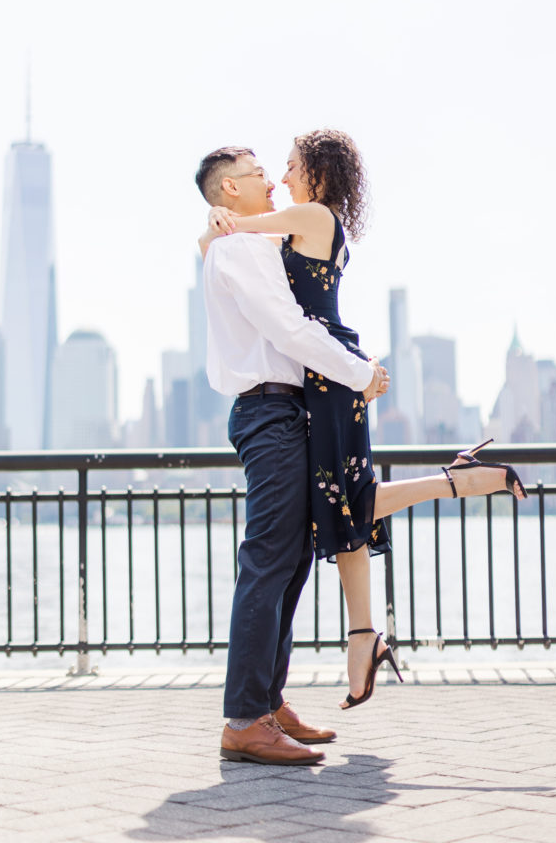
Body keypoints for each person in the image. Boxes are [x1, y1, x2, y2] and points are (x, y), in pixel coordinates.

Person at [203, 129, 527, 712]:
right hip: (323, 375)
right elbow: (241, 262)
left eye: (292, 164)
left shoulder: (312, 216)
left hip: (330, 374)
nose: (280, 176)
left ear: (318, 173)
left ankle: (459, 483)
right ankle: (362, 635)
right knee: (342, 502)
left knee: (343, 501)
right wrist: (214, 225)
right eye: (268, 170)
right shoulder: (293, 226)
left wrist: (217, 222)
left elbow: (242, 242)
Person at [195, 146, 390, 766]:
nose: (270, 180)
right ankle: (244, 719)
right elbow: (289, 330)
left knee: (293, 556)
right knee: (270, 557)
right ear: (229, 189)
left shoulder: (248, 242)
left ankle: (268, 703)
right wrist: (360, 373)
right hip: (270, 410)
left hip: (288, 411)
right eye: (256, 173)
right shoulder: (237, 249)